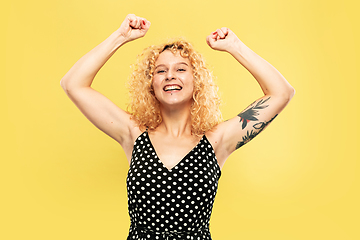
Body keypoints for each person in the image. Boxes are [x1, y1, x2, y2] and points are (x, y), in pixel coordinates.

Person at [60, 14, 295, 240]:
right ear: (151, 85)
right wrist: (121, 36)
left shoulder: (217, 140)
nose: (170, 76)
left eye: (181, 69)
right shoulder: (133, 133)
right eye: (161, 71)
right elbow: (73, 84)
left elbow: (281, 93)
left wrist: (235, 46)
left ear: (197, 81)